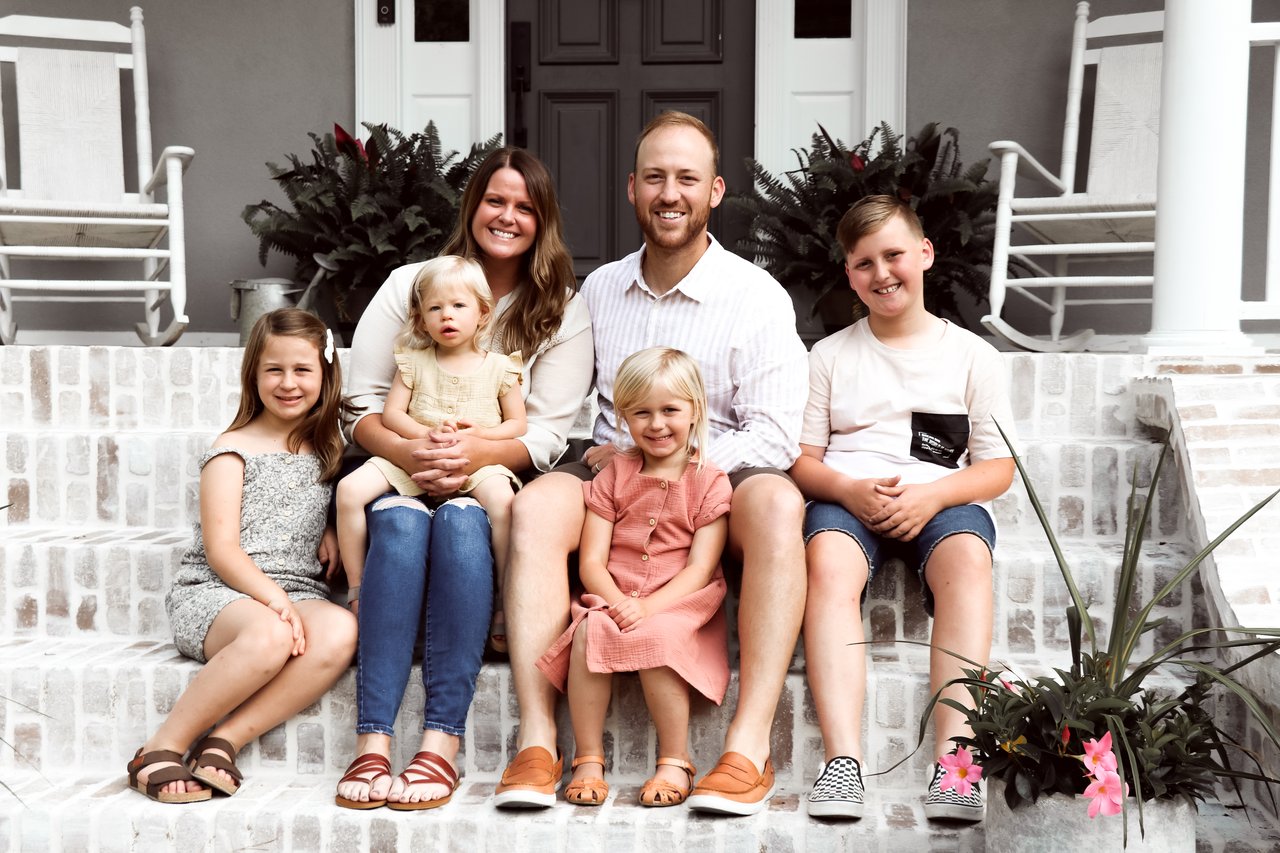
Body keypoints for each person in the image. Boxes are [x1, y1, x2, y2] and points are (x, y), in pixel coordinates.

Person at [496, 111, 809, 816]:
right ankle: (538, 738)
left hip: (721, 473)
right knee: (538, 504)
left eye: (688, 179)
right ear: (632, 188)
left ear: (715, 191)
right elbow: (554, 401)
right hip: (611, 470)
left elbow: (774, 435)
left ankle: (747, 746)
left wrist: (674, 465)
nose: (671, 194)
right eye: (656, 178)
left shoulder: (755, 295)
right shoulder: (600, 289)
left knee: (780, 503)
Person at [334, 147, 593, 810]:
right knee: (397, 524)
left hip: (491, 471)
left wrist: (474, 455)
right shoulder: (413, 283)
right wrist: (412, 450)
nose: (507, 216)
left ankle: (441, 741)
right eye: (494, 200)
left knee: (462, 523)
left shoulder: (561, 308)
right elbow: (360, 403)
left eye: (524, 206)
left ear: (543, 220)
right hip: (405, 461)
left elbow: (546, 432)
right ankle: (372, 739)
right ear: (472, 206)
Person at [789, 195, 1015, 822]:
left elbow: (998, 468)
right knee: (828, 564)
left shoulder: (973, 356)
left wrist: (935, 494)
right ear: (849, 273)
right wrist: (846, 491)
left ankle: (956, 761)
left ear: (925, 253)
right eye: (864, 263)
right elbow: (802, 460)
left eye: (894, 255)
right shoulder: (829, 356)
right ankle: (843, 762)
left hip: (939, 496)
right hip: (848, 495)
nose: (882, 273)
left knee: (967, 561)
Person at [127, 308, 357, 804]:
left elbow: (313, 502)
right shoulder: (231, 450)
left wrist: (331, 526)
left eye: (302, 370)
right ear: (253, 375)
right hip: (218, 593)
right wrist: (275, 601)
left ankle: (225, 740)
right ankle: (161, 746)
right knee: (272, 633)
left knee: (342, 629)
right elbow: (223, 550)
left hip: (296, 590)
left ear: (325, 374)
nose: (288, 383)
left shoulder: (327, 449)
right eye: (274, 370)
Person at [536, 347, 732, 808]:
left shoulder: (709, 480)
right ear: (623, 416)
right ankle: (588, 758)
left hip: (678, 599)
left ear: (695, 410)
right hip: (613, 591)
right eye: (642, 413)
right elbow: (591, 562)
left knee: (657, 637)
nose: (657, 424)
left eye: (670, 410)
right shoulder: (615, 475)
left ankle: (675, 759)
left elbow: (700, 568)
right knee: (590, 632)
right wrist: (615, 601)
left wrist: (648, 607)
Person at [335, 254, 526, 657]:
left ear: (483, 314)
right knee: (350, 491)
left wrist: (482, 436)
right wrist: (424, 437)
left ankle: (503, 598)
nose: (447, 316)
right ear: (421, 320)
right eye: (435, 308)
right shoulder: (413, 362)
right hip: (413, 457)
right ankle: (356, 589)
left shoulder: (501, 368)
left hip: (477, 464)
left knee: (505, 503)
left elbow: (517, 424)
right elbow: (392, 415)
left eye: (458, 306)